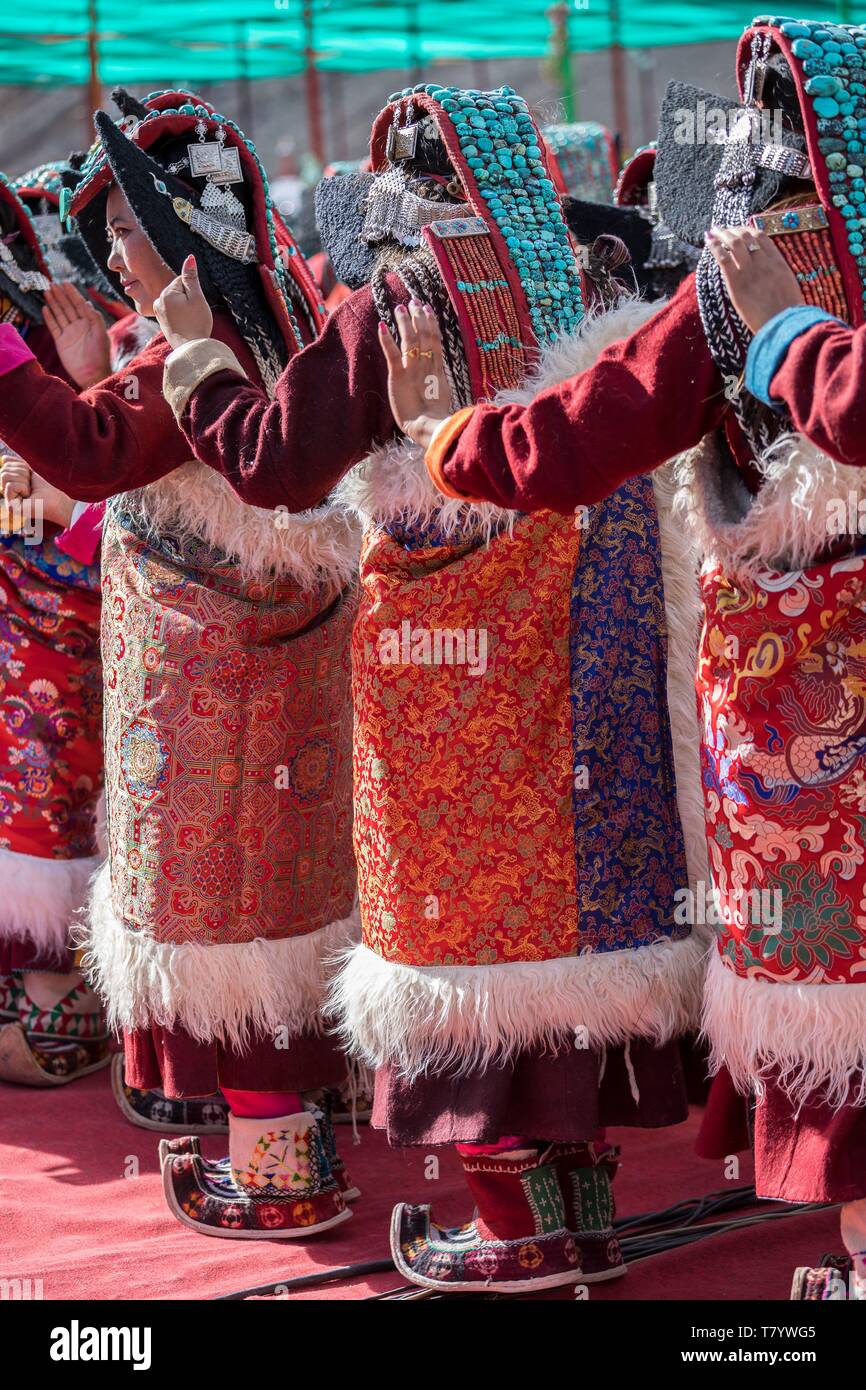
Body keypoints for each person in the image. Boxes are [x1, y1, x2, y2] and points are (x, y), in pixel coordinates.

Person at [153, 81, 707, 1292]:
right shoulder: (582, 272)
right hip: (575, 650)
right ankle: (578, 1207)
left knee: (461, 934)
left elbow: (277, 464)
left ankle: (512, 1224)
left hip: (444, 671)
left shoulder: (394, 296)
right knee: (568, 922)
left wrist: (193, 360)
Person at [378, 18, 866, 1299]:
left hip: (798, 680)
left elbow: (583, 432)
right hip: (793, 693)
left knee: (834, 981)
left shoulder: (751, 271)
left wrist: (440, 444)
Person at [0, 88, 361, 1239]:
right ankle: (291, 1155)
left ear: (180, 244)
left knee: (230, 942)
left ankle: (281, 1180)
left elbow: (79, 451)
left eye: (124, 238)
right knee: (272, 927)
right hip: (265, 690)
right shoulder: (274, 328)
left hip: (215, 704)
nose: (109, 260)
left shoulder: (192, 358)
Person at [0, 165, 109, 1087]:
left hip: (58, 622)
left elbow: (86, 496)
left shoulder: (85, 352)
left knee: (48, 785)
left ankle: (52, 998)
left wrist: (87, 385)